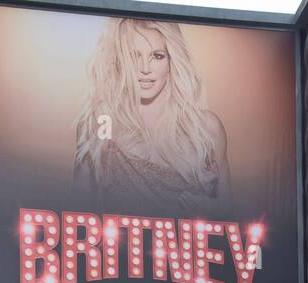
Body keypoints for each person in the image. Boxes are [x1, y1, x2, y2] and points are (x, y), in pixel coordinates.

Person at [73, 17, 231, 216]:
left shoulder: (207, 129)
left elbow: (231, 220)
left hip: (182, 247)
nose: (145, 68)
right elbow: (77, 218)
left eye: (157, 56)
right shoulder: (98, 124)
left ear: (172, 60)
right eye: (134, 56)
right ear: (119, 60)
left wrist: (210, 213)